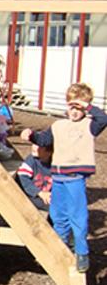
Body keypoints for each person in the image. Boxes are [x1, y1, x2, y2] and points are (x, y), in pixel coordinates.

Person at [21, 83, 107, 273]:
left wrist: (86, 107)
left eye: (80, 107)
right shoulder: (58, 125)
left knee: (77, 214)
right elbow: (44, 140)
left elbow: (104, 118)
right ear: (66, 105)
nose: (75, 111)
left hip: (75, 178)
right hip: (58, 177)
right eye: (72, 106)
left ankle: (82, 251)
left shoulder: (89, 125)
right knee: (58, 214)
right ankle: (60, 248)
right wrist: (31, 136)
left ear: (86, 108)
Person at [17, 144, 53, 212]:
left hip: (48, 195)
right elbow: (23, 179)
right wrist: (40, 193)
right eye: (34, 143)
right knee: (55, 207)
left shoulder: (54, 163)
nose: (34, 147)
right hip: (32, 196)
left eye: (38, 146)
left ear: (49, 152)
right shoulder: (30, 161)